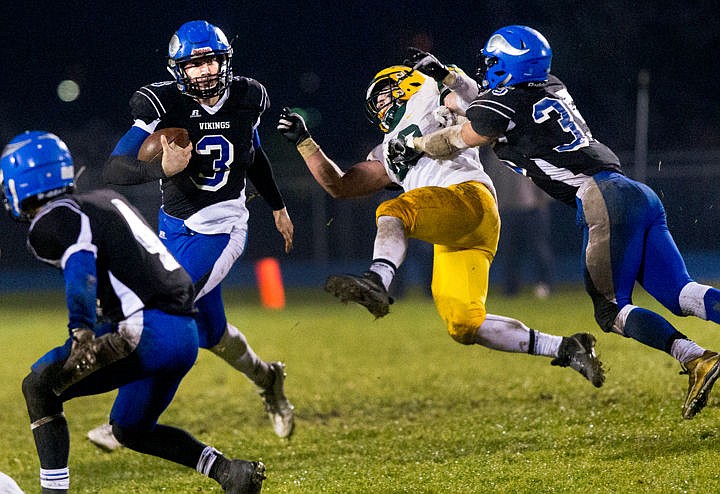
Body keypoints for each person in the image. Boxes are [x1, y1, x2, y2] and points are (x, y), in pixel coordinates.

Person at [397, 25, 720, 419]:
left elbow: (456, 137)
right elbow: (490, 103)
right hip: (635, 191)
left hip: (600, 199)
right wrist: (446, 75)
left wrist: (412, 143)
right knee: (681, 292)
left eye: (495, 62)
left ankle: (695, 358)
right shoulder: (550, 84)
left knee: (611, 311)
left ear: (506, 66)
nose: (489, 69)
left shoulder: (504, 105)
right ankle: (697, 357)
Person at [277, 63, 604, 388]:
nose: (378, 108)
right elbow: (341, 186)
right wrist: (305, 143)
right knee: (464, 324)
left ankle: (377, 279)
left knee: (394, 210)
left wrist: (449, 83)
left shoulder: (430, 95)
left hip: (467, 196)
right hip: (459, 231)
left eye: (381, 97)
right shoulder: (385, 150)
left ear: (404, 84)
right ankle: (566, 347)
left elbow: (475, 100)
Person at [0, 131, 265, 493]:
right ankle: (229, 472)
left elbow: (80, 264)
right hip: (183, 333)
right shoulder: (106, 200)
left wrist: (82, 330)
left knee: (39, 388)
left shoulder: (51, 219)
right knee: (129, 428)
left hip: (145, 332)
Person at [96, 19, 295, 449]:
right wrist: (158, 170)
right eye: (195, 63)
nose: (205, 71)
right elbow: (114, 168)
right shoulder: (161, 103)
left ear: (225, 61)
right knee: (214, 334)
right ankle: (269, 378)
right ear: (177, 68)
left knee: (166, 311)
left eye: (211, 61)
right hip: (171, 230)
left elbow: (252, 153)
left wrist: (277, 205)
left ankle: (126, 420)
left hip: (221, 229)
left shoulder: (247, 96)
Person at [490, 162, 554, 298]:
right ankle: (511, 288)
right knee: (509, 251)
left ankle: (543, 284)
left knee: (539, 249)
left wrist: (542, 202)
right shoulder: (496, 155)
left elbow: (544, 178)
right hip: (506, 209)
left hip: (533, 208)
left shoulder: (530, 151)